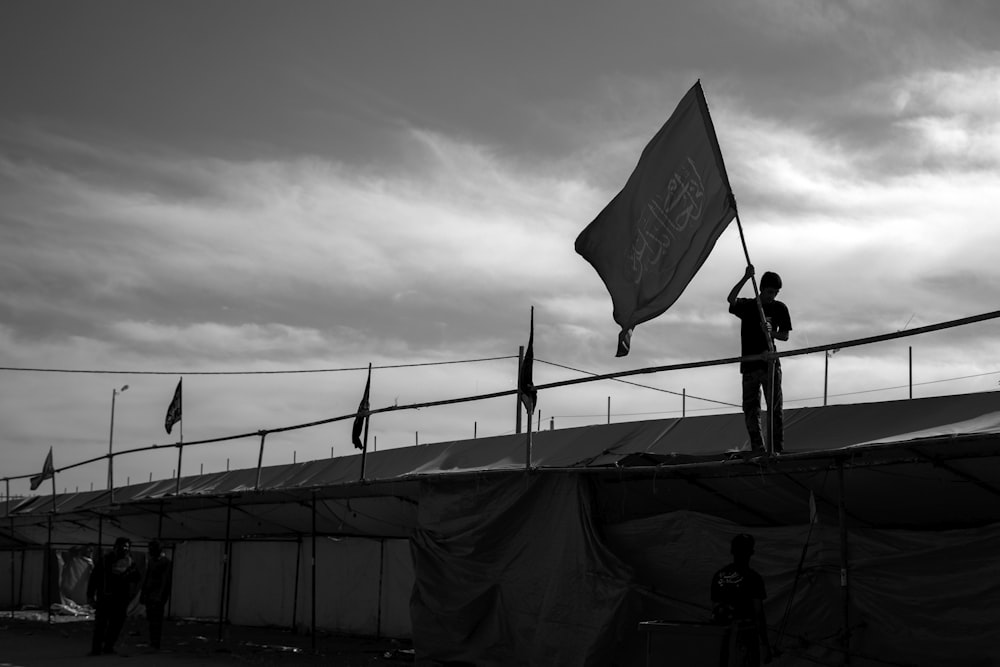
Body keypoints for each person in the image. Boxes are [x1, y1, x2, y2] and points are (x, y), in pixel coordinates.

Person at [727, 265, 792, 454]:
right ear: (762, 289)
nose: (773, 295)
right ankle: (758, 449)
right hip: (749, 366)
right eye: (770, 291)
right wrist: (746, 277)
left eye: (776, 292)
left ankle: (775, 450)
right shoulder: (748, 306)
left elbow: (785, 335)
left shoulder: (779, 308)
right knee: (750, 409)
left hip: (769, 364)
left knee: (774, 408)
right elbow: (731, 299)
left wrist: (771, 332)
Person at [711, 534, 772, 666]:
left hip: (723, 637)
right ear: (751, 552)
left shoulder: (719, 575)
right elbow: (758, 612)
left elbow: (716, 609)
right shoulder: (753, 578)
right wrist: (765, 643)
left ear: (732, 551)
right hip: (746, 637)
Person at [87, 537, 141, 656]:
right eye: (122, 546)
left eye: (127, 547)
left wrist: (127, 574)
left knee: (116, 625)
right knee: (101, 624)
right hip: (105, 597)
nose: (124, 549)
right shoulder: (105, 560)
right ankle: (96, 649)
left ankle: (108, 647)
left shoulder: (129, 562)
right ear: (115, 547)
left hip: (121, 599)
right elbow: (94, 578)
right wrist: (90, 596)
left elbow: (136, 577)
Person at [140, 540, 173, 650]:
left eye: (152, 548)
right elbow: (147, 577)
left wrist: (160, 596)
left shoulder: (165, 562)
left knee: (156, 620)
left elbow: (165, 580)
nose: (150, 551)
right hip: (150, 594)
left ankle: (155, 643)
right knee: (151, 619)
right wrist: (144, 593)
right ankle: (153, 641)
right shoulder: (152, 561)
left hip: (157, 595)